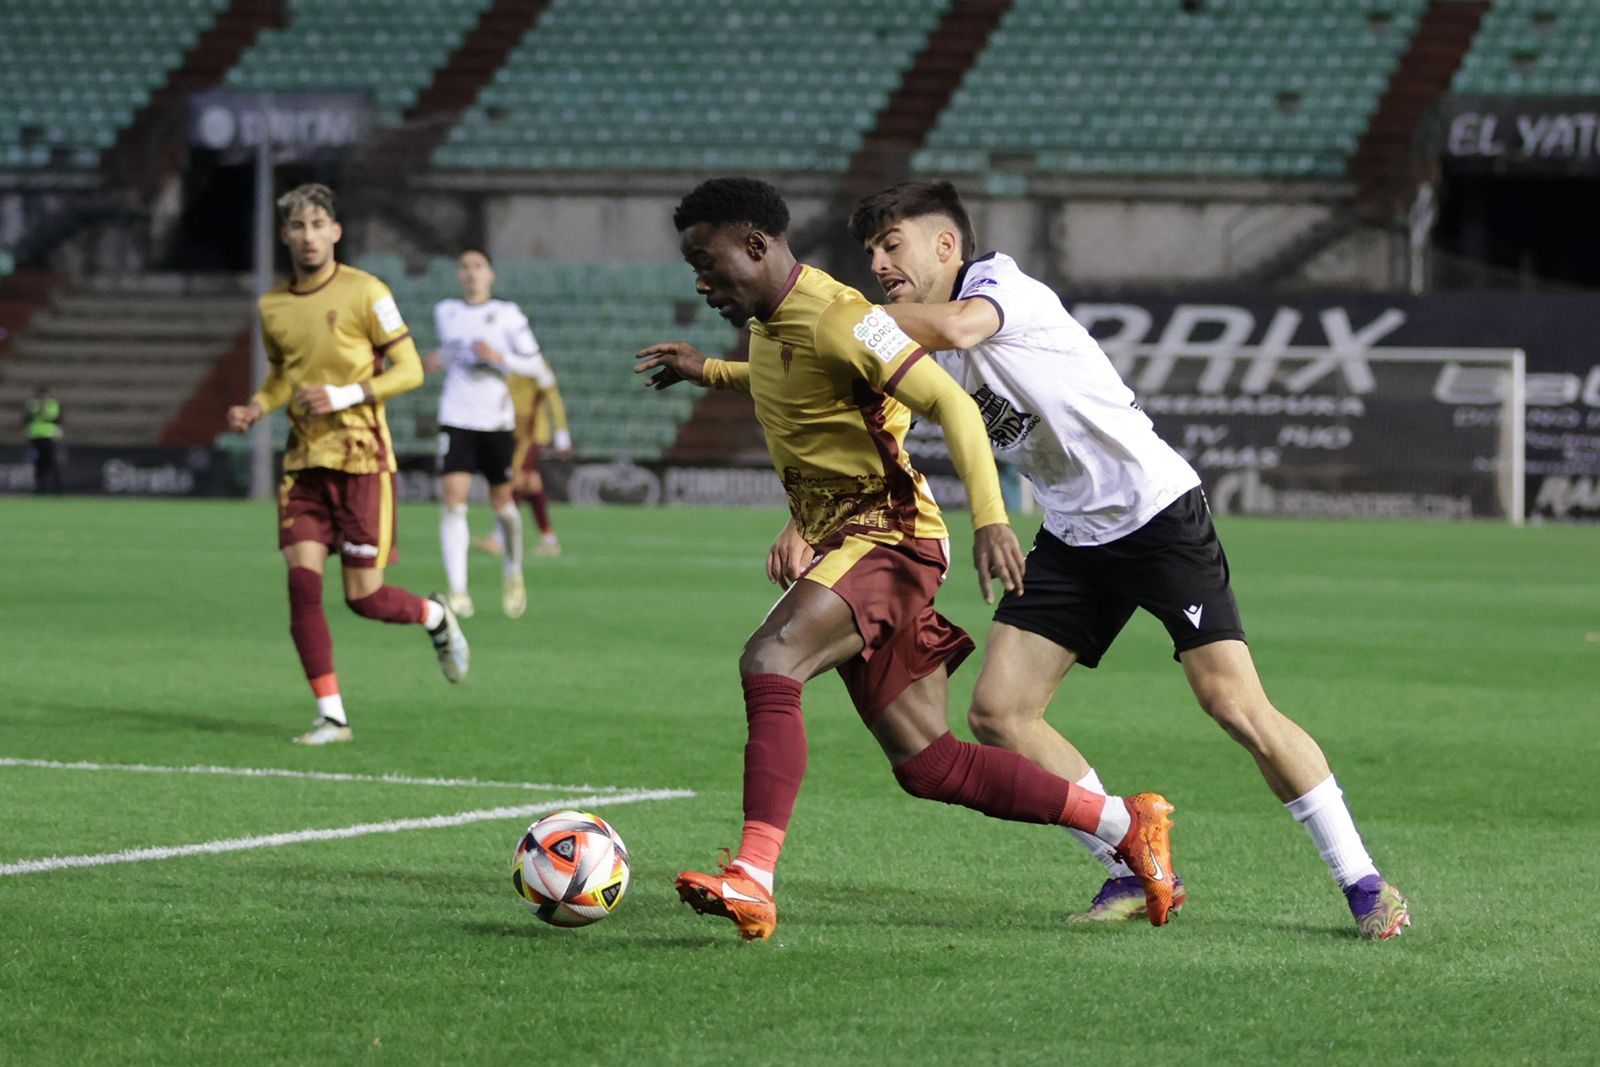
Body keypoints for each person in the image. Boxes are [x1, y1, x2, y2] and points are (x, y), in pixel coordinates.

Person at [834, 179, 1409, 940]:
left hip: (1155, 511)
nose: (878, 261)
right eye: (870, 251)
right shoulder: (917, 340)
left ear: (946, 244)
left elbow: (957, 328)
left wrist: (837, 314)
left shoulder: (1000, 287)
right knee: (1000, 711)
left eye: (891, 244)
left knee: (1233, 704)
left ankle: (1365, 882)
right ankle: (1130, 862)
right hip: (1074, 534)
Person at [635, 177, 1177, 941]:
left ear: (755, 247)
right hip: (847, 539)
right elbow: (784, 376)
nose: (700, 279)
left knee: (771, 660)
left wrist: (991, 519)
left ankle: (753, 875)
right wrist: (707, 372)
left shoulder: (847, 318)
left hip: (889, 536)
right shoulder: (770, 319)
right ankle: (1127, 825)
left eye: (707, 260)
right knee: (931, 765)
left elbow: (950, 402)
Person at [226, 183, 469, 746]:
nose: (309, 237)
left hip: (363, 460)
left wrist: (343, 396)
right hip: (304, 464)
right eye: (298, 227)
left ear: (335, 231)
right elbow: (285, 372)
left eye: (318, 225)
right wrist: (257, 406)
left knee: (364, 597)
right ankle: (332, 715)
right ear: (285, 235)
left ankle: (434, 616)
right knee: (302, 587)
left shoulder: (367, 292)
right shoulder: (273, 306)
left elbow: (410, 369)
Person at [425, 247, 551, 618]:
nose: (471, 273)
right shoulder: (446, 312)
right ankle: (459, 591)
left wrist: (501, 358)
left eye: (478, 266)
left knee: (502, 503)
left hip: (496, 420)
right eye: (464, 267)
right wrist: (435, 360)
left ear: (490, 274)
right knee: (453, 499)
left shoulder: (507, 315)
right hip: (456, 415)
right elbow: (453, 353)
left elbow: (536, 366)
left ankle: (513, 571)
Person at [475, 360, 572, 558]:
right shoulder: (506, 359)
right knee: (532, 486)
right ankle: (549, 540)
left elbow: (552, 395)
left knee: (512, 480)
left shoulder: (534, 364)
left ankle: (500, 537)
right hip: (514, 430)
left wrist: (561, 432)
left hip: (531, 434)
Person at [23, 385, 63, 493]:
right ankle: (39, 488)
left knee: (52, 463)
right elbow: (26, 420)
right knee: (38, 464)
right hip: (36, 439)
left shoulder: (53, 405)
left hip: (49, 439)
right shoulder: (31, 405)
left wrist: (58, 434)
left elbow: (58, 420)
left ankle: (56, 488)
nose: (44, 398)